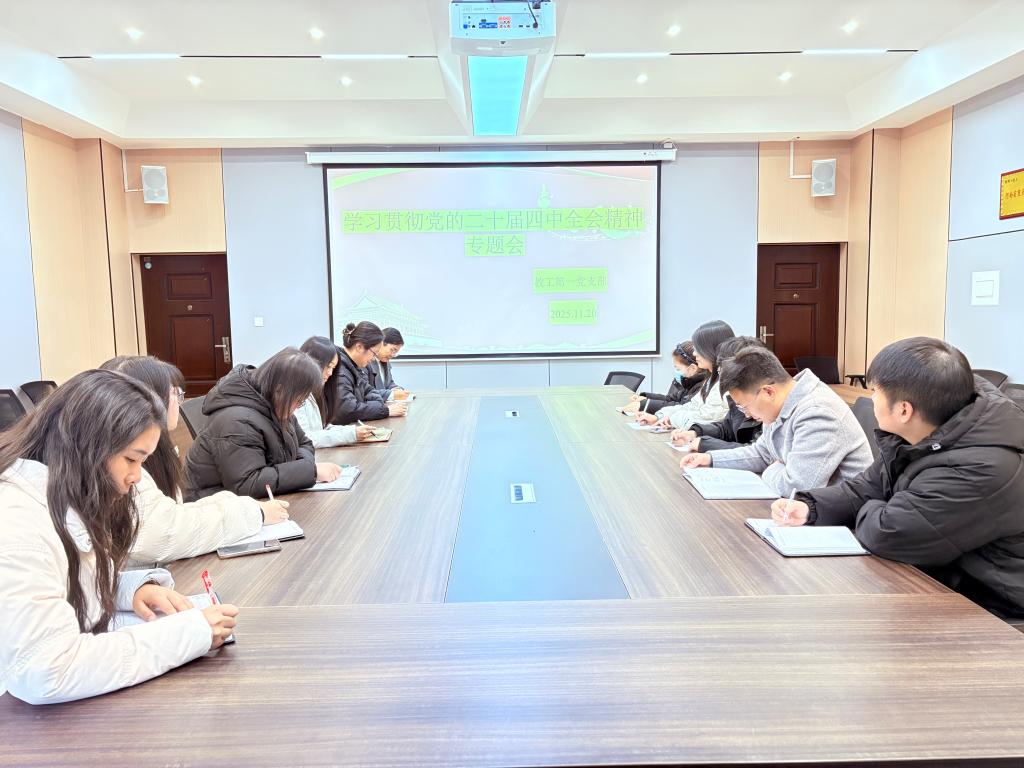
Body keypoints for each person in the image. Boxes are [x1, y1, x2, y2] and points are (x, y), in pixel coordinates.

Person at [0, 369, 238, 705]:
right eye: (131, 459)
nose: (136, 476)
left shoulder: (60, 493)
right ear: (87, 446)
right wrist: (188, 635)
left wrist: (130, 590)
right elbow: (47, 670)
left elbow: (60, 584)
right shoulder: (18, 523)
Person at [771, 337, 1024, 618]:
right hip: (943, 580)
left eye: (874, 392)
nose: (870, 398)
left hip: (995, 609)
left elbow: (889, 534)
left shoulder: (981, 468)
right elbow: (870, 486)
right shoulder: (926, 431)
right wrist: (811, 506)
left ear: (904, 410)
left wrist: (882, 506)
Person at [100, 356, 290, 566]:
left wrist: (240, 505)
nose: (178, 400)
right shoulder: (123, 465)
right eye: (175, 393)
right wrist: (254, 513)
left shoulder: (155, 452)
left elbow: (172, 514)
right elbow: (166, 534)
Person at [680, 345, 872, 495]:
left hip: (840, 523)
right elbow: (762, 454)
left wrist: (772, 470)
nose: (746, 414)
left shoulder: (818, 413)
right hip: (800, 512)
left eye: (744, 406)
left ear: (768, 392)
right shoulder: (780, 406)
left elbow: (798, 487)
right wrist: (711, 458)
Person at [185, 348, 342, 499]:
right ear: (279, 390)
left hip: (254, 502)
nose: (297, 407)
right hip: (213, 506)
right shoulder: (238, 422)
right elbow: (248, 483)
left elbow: (304, 443)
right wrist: (310, 471)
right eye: (299, 400)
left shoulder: (276, 404)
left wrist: (302, 467)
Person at [671, 336, 764, 452]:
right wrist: (695, 432)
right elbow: (726, 429)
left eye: (721, 369)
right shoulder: (737, 393)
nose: (720, 374)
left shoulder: (765, 406)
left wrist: (706, 444)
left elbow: (758, 452)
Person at [636, 320, 735, 429]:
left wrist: (669, 420)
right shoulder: (712, 378)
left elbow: (706, 418)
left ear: (712, 349)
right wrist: (659, 416)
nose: (694, 353)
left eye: (698, 349)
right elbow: (692, 406)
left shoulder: (725, 382)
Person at [296, 336, 375, 448]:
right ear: (312, 362)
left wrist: (353, 431)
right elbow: (306, 438)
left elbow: (322, 427)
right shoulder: (296, 395)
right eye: (328, 366)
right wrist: (351, 434)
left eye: (333, 368)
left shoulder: (314, 390)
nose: (330, 373)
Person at [333, 321, 407, 424]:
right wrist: (384, 410)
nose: (373, 359)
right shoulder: (340, 370)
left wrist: (377, 406)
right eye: (374, 353)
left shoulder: (355, 367)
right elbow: (348, 410)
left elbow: (369, 391)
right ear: (359, 347)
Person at [624, 341, 707, 415]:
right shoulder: (689, 381)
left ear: (692, 368)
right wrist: (646, 398)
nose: (676, 371)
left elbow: (682, 407)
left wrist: (645, 405)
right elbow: (670, 399)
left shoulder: (702, 387)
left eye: (678, 369)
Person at [367, 327, 410, 401]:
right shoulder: (366, 362)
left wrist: (397, 389)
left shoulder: (385, 361)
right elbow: (366, 392)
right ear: (381, 343)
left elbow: (389, 383)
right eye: (392, 350)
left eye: (396, 352)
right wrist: (392, 394)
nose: (393, 355)